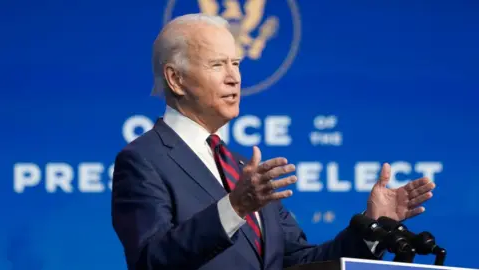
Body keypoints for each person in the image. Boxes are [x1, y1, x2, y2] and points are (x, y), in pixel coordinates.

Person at [111, 13, 435, 270]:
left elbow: (301, 261)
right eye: (217, 65)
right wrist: (235, 207)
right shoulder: (144, 159)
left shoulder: (242, 169)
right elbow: (150, 260)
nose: (234, 77)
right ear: (176, 78)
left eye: (235, 63)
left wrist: (371, 226)